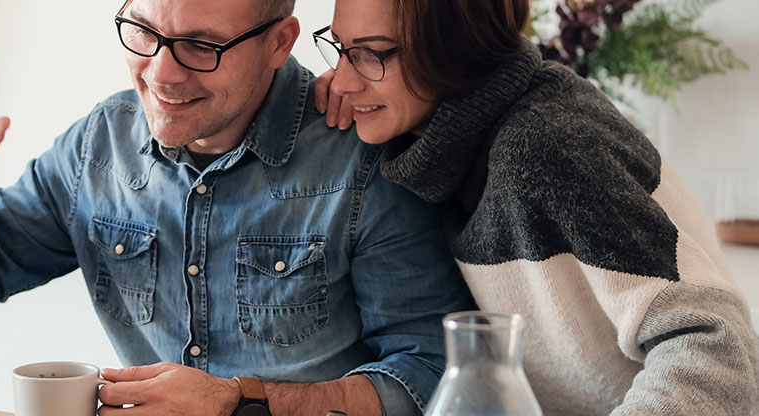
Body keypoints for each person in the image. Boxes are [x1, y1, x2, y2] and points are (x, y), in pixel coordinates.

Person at [0, 0, 475, 414]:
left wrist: (243, 403)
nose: (163, 73)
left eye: (202, 45)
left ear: (279, 42)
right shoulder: (100, 145)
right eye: (143, 31)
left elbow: (433, 378)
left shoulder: (362, 157)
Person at [313, 0, 759, 413]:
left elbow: (717, 346)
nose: (344, 78)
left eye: (372, 53)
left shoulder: (545, 144)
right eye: (342, 48)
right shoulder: (449, 148)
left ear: (452, 48)